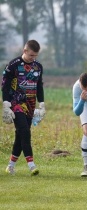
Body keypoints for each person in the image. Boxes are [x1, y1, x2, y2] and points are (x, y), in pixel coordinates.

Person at [2, 40, 45, 176]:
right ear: (25, 51)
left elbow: (39, 86)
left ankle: (10, 166)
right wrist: (6, 104)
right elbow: (5, 85)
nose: (33, 58)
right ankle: (31, 165)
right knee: (25, 132)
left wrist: (42, 103)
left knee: (21, 135)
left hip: (31, 105)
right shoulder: (13, 65)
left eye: (36, 56)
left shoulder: (38, 67)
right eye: (31, 55)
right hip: (16, 103)